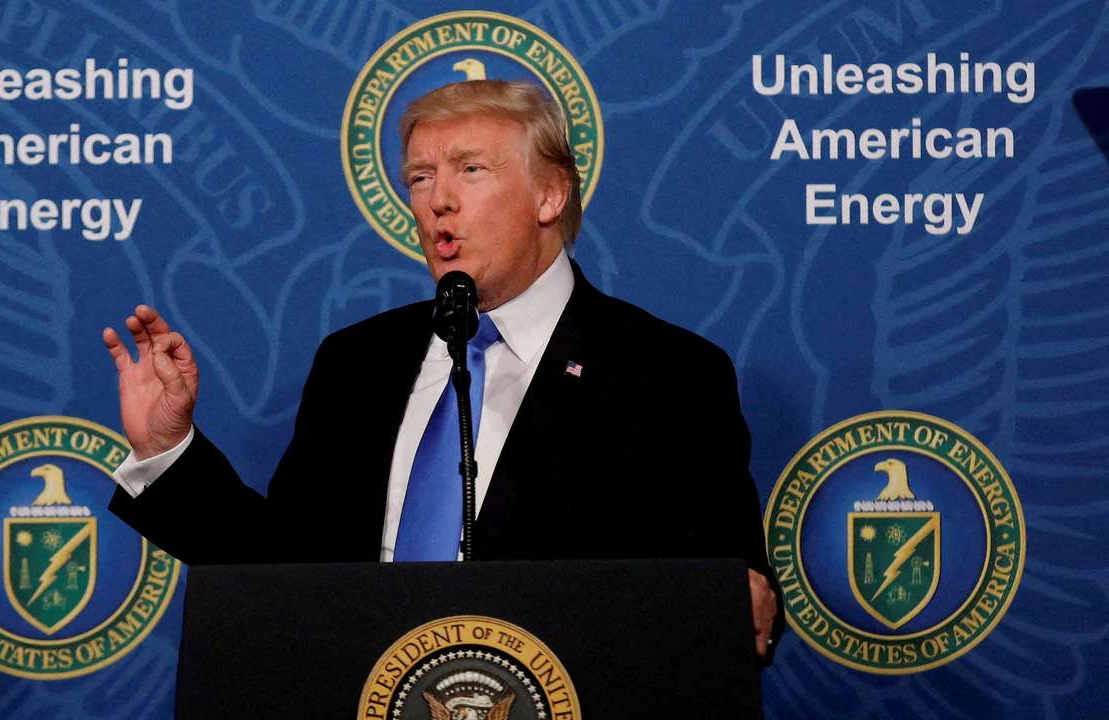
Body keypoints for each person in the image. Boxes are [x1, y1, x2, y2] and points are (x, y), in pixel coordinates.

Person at [102, 80, 780, 659]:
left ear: (550, 194)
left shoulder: (667, 374)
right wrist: (167, 451)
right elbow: (285, 577)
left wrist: (730, 598)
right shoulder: (356, 363)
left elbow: (729, 603)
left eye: (470, 171)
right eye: (420, 177)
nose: (438, 201)